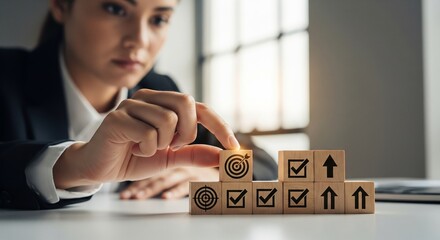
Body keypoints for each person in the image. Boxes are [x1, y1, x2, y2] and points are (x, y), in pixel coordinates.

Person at [0, 0, 277, 210]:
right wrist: (71, 165)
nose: (139, 40)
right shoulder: (6, 76)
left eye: (158, 19)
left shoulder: (161, 88)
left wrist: (217, 171)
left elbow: (262, 160)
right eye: (116, 9)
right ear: (61, 6)